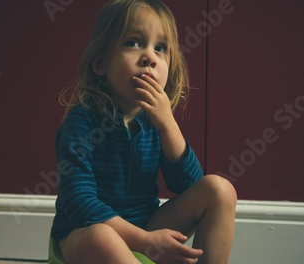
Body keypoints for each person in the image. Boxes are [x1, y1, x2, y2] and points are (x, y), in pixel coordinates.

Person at [49, 0, 237, 263]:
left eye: (160, 48)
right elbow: (79, 202)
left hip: (144, 227)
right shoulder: (82, 121)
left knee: (220, 189)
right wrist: (144, 240)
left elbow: (189, 186)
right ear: (101, 63)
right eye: (134, 43)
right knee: (102, 237)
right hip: (85, 237)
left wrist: (168, 124)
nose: (150, 56)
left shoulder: (155, 121)